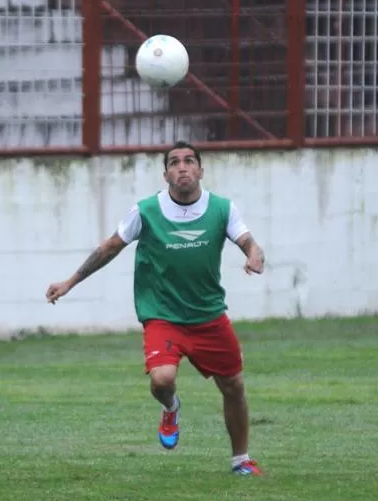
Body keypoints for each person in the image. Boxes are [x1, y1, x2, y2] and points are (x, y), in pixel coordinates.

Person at [46, 141, 265, 476]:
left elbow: (247, 239)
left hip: (208, 316)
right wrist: (69, 282)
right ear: (166, 174)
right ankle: (171, 408)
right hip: (163, 316)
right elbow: (109, 248)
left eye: (189, 161)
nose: (183, 167)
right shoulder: (146, 211)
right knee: (162, 380)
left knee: (233, 386)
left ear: (200, 170)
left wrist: (253, 253)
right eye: (174, 162)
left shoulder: (222, 208)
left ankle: (241, 461)